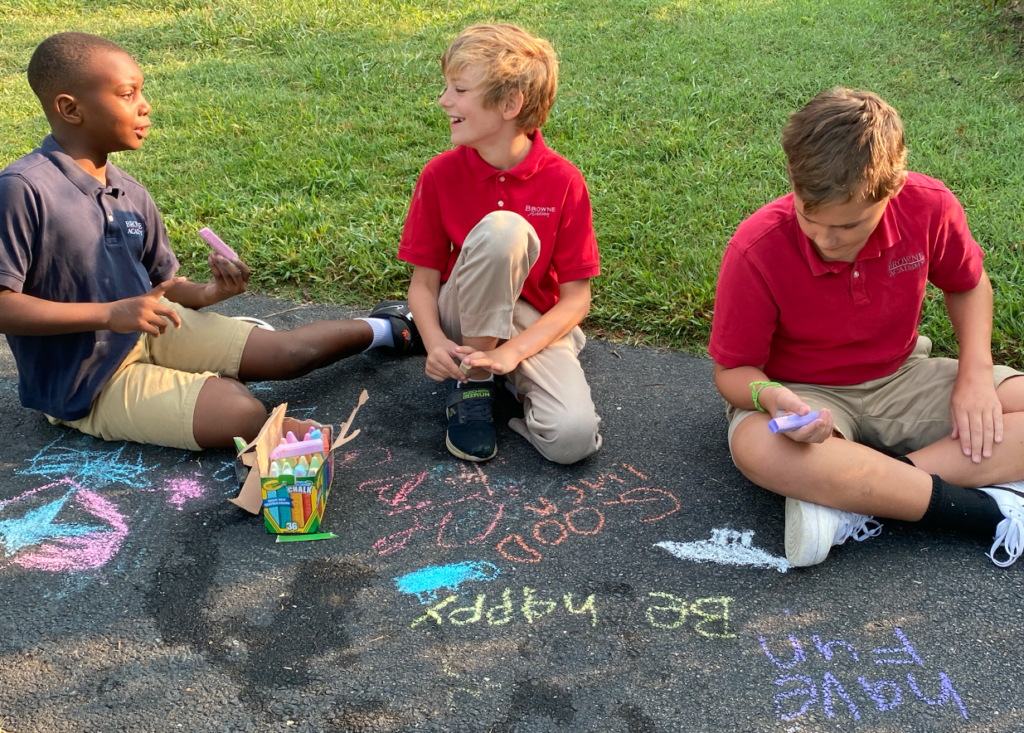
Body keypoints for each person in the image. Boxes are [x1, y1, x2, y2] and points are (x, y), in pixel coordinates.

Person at [0, 32, 419, 451]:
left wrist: (212, 291)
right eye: (127, 95)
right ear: (70, 108)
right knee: (241, 412)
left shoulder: (129, 192)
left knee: (291, 353)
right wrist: (112, 314)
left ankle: (391, 328)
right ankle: (212, 391)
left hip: (151, 331)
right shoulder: (23, 189)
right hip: (86, 383)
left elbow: (161, 289)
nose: (145, 106)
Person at [709, 88, 1024, 568]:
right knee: (757, 448)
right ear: (793, 180)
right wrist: (771, 398)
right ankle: (985, 512)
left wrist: (976, 375)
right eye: (810, 218)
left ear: (892, 190)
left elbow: (969, 285)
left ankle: (856, 497)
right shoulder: (755, 248)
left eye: (849, 226)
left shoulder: (929, 205)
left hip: (902, 376)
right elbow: (733, 373)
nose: (824, 239)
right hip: (804, 394)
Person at [397, 24, 602, 464]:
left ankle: (499, 377)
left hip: (529, 321)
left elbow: (575, 300)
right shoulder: (439, 175)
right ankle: (471, 384)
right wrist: (433, 342)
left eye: (459, 89)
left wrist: (512, 353)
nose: (444, 100)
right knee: (503, 230)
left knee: (573, 440)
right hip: (463, 309)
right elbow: (424, 283)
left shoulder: (564, 181)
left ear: (511, 104)